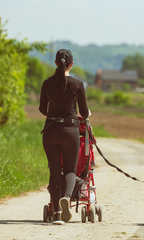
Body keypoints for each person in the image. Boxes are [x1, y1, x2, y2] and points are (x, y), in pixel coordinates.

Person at [39, 49, 89, 224]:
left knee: (54, 170)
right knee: (69, 170)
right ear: (71, 64)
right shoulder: (77, 84)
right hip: (70, 131)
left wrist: (53, 112)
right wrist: (86, 114)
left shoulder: (47, 83)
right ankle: (67, 198)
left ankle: (57, 213)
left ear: (55, 63)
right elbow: (84, 112)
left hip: (51, 131)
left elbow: (42, 109)